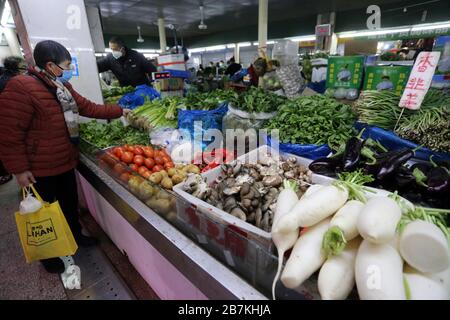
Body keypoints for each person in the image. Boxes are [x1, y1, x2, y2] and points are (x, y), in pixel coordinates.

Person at [0, 40, 128, 274]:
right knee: (45, 213)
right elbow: (9, 134)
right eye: (67, 65)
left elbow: (88, 108)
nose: (69, 69)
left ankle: (75, 237)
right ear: (50, 65)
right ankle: (49, 257)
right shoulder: (21, 88)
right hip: (39, 168)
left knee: (69, 205)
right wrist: (18, 169)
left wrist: (120, 110)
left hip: (65, 161)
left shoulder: (61, 86)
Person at [0, 56, 27, 185]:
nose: (26, 71)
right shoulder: (12, 83)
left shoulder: (4, 79)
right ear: (15, 69)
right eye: (24, 68)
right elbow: (11, 130)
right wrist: (20, 170)